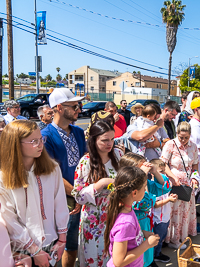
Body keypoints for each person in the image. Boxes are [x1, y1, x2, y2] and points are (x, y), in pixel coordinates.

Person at [0, 120, 69, 266]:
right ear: (15, 144)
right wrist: (34, 250)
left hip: (52, 243)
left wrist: (62, 239)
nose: (40, 145)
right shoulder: (3, 177)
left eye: (40, 139)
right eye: (33, 141)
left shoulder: (52, 169)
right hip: (22, 250)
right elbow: (8, 218)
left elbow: (60, 204)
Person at [41, 87, 85, 267]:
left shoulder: (79, 132)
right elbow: (52, 172)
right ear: (59, 108)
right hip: (60, 199)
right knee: (54, 245)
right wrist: (77, 194)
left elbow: (85, 164)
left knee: (72, 243)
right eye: (74, 105)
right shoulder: (45, 136)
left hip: (79, 198)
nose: (79, 109)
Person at [71, 121, 123, 266]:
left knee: (113, 255)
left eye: (112, 139)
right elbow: (78, 195)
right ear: (94, 140)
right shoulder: (85, 162)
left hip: (115, 214)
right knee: (93, 257)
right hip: (93, 219)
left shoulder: (118, 155)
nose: (110, 143)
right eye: (105, 140)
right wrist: (100, 184)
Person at [119, 154, 173, 267]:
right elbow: (144, 203)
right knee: (137, 254)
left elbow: (166, 187)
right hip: (135, 223)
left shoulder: (146, 183)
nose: (146, 168)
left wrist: (155, 172)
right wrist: (142, 176)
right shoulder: (127, 189)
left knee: (147, 254)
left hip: (146, 223)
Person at [104, 166, 160, 267]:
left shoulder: (127, 209)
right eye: (144, 188)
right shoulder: (126, 222)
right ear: (134, 193)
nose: (145, 190)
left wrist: (142, 233)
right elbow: (119, 262)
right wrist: (147, 244)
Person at [160, 122, 199, 249]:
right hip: (174, 184)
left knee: (185, 212)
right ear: (177, 134)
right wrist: (172, 176)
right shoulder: (170, 144)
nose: (183, 140)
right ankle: (173, 240)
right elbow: (163, 164)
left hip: (187, 185)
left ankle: (183, 236)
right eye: (181, 137)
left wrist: (194, 177)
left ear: (190, 136)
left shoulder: (193, 146)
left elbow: (195, 165)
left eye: (186, 138)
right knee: (174, 212)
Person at [149, 159, 177, 264]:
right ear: (152, 173)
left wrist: (171, 197)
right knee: (156, 238)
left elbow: (166, 195)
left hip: (165, 216)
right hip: (157, 219)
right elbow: (155, 204)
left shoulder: (165, 184)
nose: (163, 175)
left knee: (161, 237)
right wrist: (168, 200)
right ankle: (153, 257)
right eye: (160, 172)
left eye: (164, 172)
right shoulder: (152, 186)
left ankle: (157, 253)